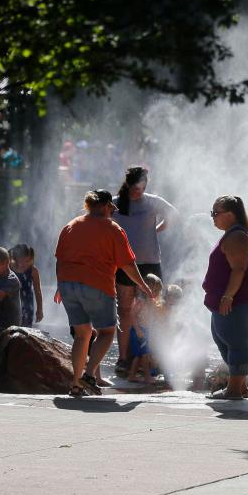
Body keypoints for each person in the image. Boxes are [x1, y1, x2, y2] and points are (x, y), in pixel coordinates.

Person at [56, 190, 152, 397]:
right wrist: (143, 285)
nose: (112, 213)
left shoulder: (71, 226)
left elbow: (60, 259)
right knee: (107, 332)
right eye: (111, 209)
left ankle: (76, 384)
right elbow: (127, 264)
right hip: (97, 285)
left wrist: (60, 286)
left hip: (68, 285)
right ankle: (90, 375)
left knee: (82, 335)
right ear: (107, 206)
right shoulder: (113, 229)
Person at [112, 166, 177, 375]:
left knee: (153, 310)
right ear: (128, 184)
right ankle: (124, 358)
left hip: (150, 261)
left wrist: (156, 230)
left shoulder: (153, 201)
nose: (138, 192)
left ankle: (152, 358)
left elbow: (174, 215)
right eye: (135, 187)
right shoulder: (115, 203)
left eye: (142, 187)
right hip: (124, 263)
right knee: (124, 310)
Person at [203, 195, 248, 400]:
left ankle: (234, 390)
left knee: (235, 341)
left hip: (241, 298)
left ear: (230, 215)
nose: (212, 217)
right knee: (222, 337)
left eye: (216, 213)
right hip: (232, 298)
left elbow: (239, 269)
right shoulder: (231, 235)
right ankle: (240, 387)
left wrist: (228, 297)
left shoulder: (237, 236)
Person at [128, 273, 164, 385]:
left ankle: (132, 376)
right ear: (149, 288)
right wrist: (138, 330)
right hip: (139, 331)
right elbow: (132, 315)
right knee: (144, 354)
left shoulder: (149, 301)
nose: (157, 294)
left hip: (144, 331)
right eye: (156, 291)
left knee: (139, 355)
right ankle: (147, 376)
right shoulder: (141, 301)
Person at [9, 244, 43, 328]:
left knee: (25, 329)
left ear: (30, 259)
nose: (23, 264)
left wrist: (39, 309)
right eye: (20, 261)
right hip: (11, 304)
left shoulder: (33, 271)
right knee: (10, 329)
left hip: (27, 305)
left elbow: (38, 291)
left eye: (27, 261)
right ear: (15, 259)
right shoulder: (9, 268)